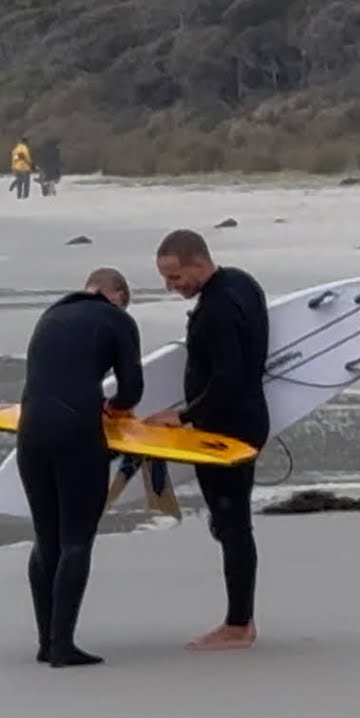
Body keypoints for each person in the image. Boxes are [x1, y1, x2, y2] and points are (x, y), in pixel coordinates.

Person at [145, 229, 269, 652]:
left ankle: (239, 626)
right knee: (228, 521)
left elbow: (228, 378)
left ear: (199, 263)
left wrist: (182, 416)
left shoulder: (216, 309)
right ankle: (240, 619)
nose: (171, 286)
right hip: (242, 421)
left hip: (224, 431)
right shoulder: (242, 282)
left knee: (233, 524)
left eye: (176, 277)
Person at [17, 267, 143, 668]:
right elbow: (132, 390)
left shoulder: (50, 316)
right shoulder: (117, 320)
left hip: (29, 432)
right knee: (76, 539)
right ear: (118, 295)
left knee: (46, 538)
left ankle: (46, 642)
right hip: (75, 433)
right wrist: (114, 408)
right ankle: (63, 646)